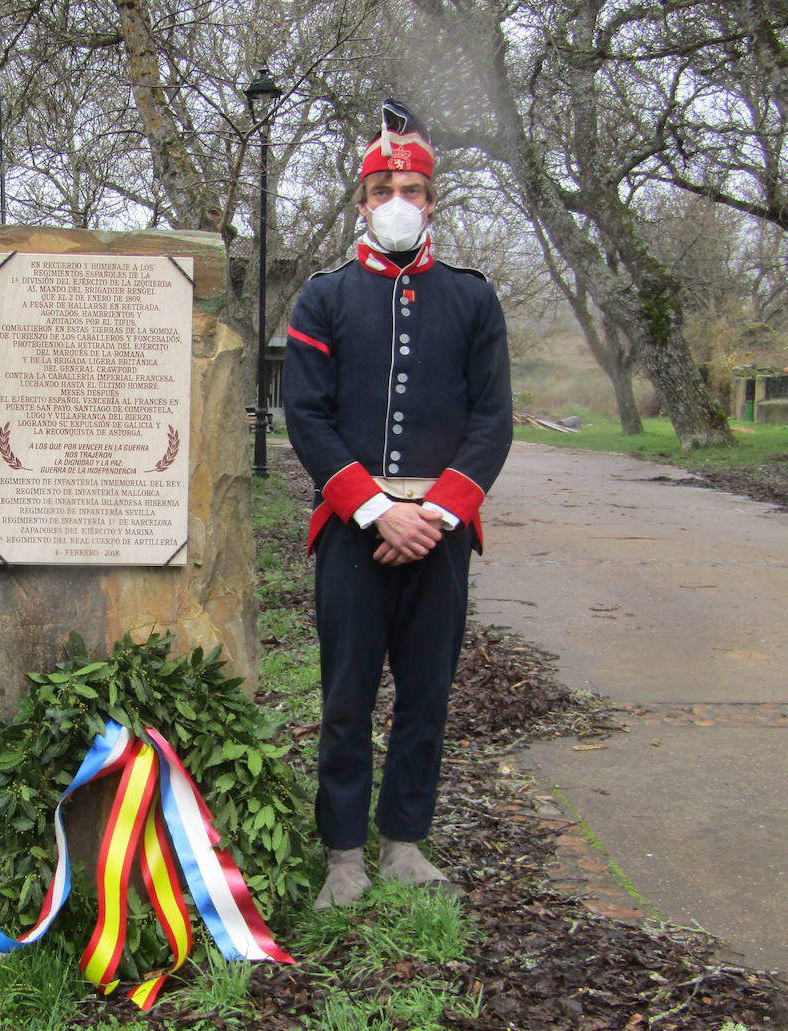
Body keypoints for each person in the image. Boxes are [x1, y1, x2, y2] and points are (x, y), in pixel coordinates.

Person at [282, 101, 512, 907]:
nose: (398, 200)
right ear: (360, 201)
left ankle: (405, 843)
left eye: (412, 186)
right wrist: (379, 511)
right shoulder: (324, 298)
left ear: (434, 198)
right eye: (383, 187)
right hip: (354, 535)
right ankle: (344, 854)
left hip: (442, 536)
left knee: (426, 696)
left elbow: (493, 421)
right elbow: (304, 415)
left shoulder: (473, 300)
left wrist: (435, 514)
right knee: (346, 699)